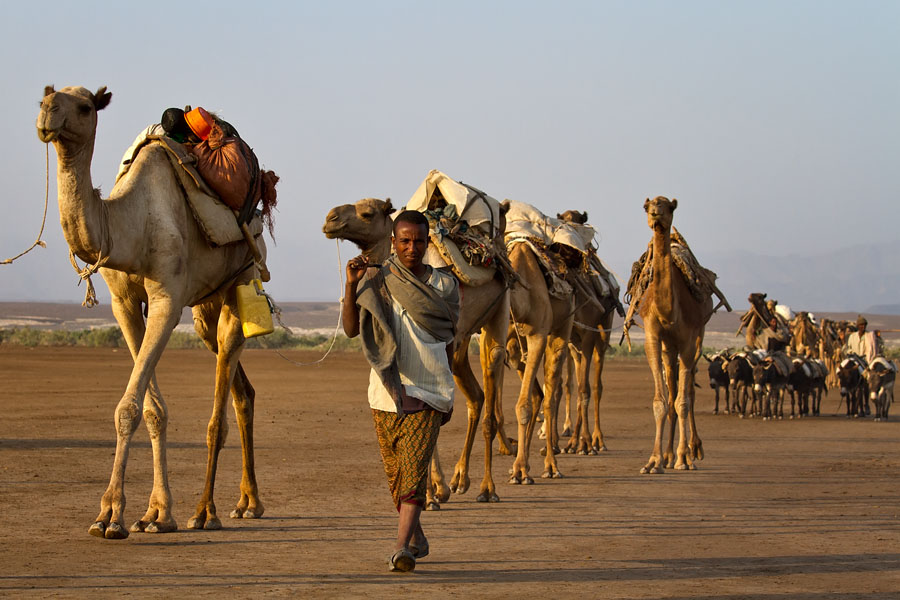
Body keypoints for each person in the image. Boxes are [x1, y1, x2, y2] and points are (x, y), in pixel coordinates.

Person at [342, 209, 459, 573]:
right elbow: (350, 329)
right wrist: (350, 284)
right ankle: (417, 535)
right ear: (393, 242)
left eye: (419, 241)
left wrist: (447, 387)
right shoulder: (377, 278)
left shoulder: (445, 286)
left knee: (412, 476)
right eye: (404, 241)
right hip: (384, 394)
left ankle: (400, 549)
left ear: (428, 243)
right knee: (398, 479)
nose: (412, 247)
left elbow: (450, 340)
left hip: (429, 391)